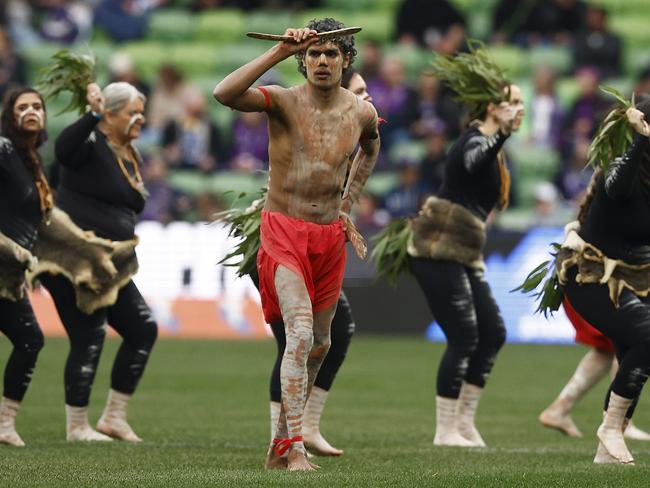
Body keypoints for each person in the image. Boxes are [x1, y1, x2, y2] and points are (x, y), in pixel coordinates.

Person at [214, 18, 379, 471]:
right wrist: (278, 53)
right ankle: (293, 448)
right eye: (314, 53)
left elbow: (372, 145)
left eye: (331, 53)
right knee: (301, 334)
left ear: (346, 60)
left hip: (328, 238)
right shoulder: (283, 101)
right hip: (284, 230)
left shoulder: (361, 111)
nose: (322, 61)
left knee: (321, 344)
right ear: (304, 61)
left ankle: (281, 442)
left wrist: (348, 205)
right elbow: (224, 94)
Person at [406, 46, 524, 447]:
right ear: (492, 108)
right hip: (439, 245)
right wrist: (503, 134)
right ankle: (444, 430)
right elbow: (473, 162)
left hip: (466, 250)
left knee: (493, 332)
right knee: (465, 336)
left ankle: (465, 422)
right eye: (512, 103)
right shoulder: (473, 139)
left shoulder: (496, 148)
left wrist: (503, 138)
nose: (518, 110)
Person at [40, 81, 158, 443]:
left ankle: (113, 417)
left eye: (142, 111)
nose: (140, 118)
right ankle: (77, 426)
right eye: (132, 112)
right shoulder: (90, 145)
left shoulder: (129, 152)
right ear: (108, 115)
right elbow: (63, 148)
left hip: (114, 263)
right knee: (88, 335)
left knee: (142, 330)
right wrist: (89, 115)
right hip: (77, 259)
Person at [550, 101, 650, 464]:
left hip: (634, 278)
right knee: (647, 338)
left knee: (633, 355)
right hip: (590, 275)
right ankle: (608, 428)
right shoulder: (621, 166)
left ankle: (607, 449)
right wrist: (639, 140)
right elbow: (619, 186)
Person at [0, 87, 52, 447]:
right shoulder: (2, 150)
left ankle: (4, 424)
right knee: (30, 338)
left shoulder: (30, 157)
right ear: (9, 115)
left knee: (30, 339)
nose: (31, 111)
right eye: (23, 107)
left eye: (37, 106)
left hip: (8, 275)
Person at [539, 299, 650, 441]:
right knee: (631, 339)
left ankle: (559, 410)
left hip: (584, 289)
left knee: (607, 348)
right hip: (595, 288)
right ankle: (620, 423)